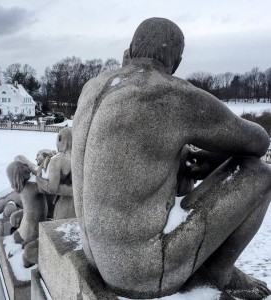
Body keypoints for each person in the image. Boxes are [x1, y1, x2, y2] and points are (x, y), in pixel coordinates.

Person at [72, 17, 271, 299]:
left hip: (99, 257)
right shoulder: (172, 93)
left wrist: (181, 156)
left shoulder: (92, 87)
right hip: (144, 273)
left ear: (129, 50)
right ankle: (216, 275)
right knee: (258, 173)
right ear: (176, 62)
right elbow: (258, 141)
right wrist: (217, 157)